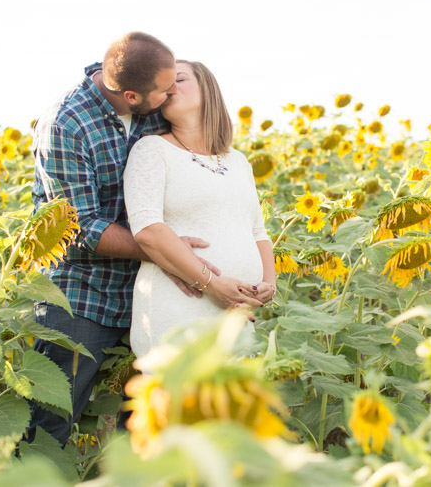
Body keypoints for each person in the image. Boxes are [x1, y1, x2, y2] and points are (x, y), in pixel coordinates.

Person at [27, 33, 215, 445]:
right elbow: (78, 228)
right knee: (51, 422)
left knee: (147, 421)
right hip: (81, 295)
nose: (171, 94)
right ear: (131, 95)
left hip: (148, 290)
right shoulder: (65, 124)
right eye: (164, 89)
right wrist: (165, 249)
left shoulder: (153, 108)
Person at [123, 60, 276, 360]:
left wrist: (268, 283)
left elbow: (257, 230)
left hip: (236, 315)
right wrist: (211, 283)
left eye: (178, 79)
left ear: (208, 89)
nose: (170, 88)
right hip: (179, 309)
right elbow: (148, 230)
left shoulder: (238, 161)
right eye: (163, 85)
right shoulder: (152, 150)